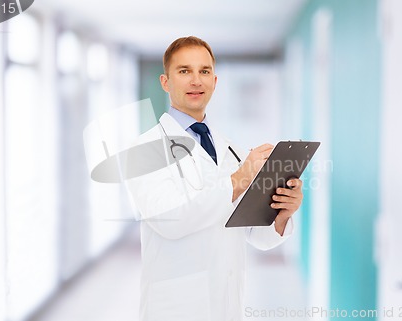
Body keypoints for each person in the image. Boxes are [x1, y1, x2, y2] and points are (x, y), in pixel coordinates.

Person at [125, 36, 303, 321]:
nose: (196, 80)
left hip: (228, 305)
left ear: (215, 81)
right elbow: (171, 219)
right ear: (165, 82)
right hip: (176, 309)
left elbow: (252, 232)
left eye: (204, 71)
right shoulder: (143, 150)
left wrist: (282, 213)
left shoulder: (230, 148)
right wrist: (238, 180)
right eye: (184, 71)